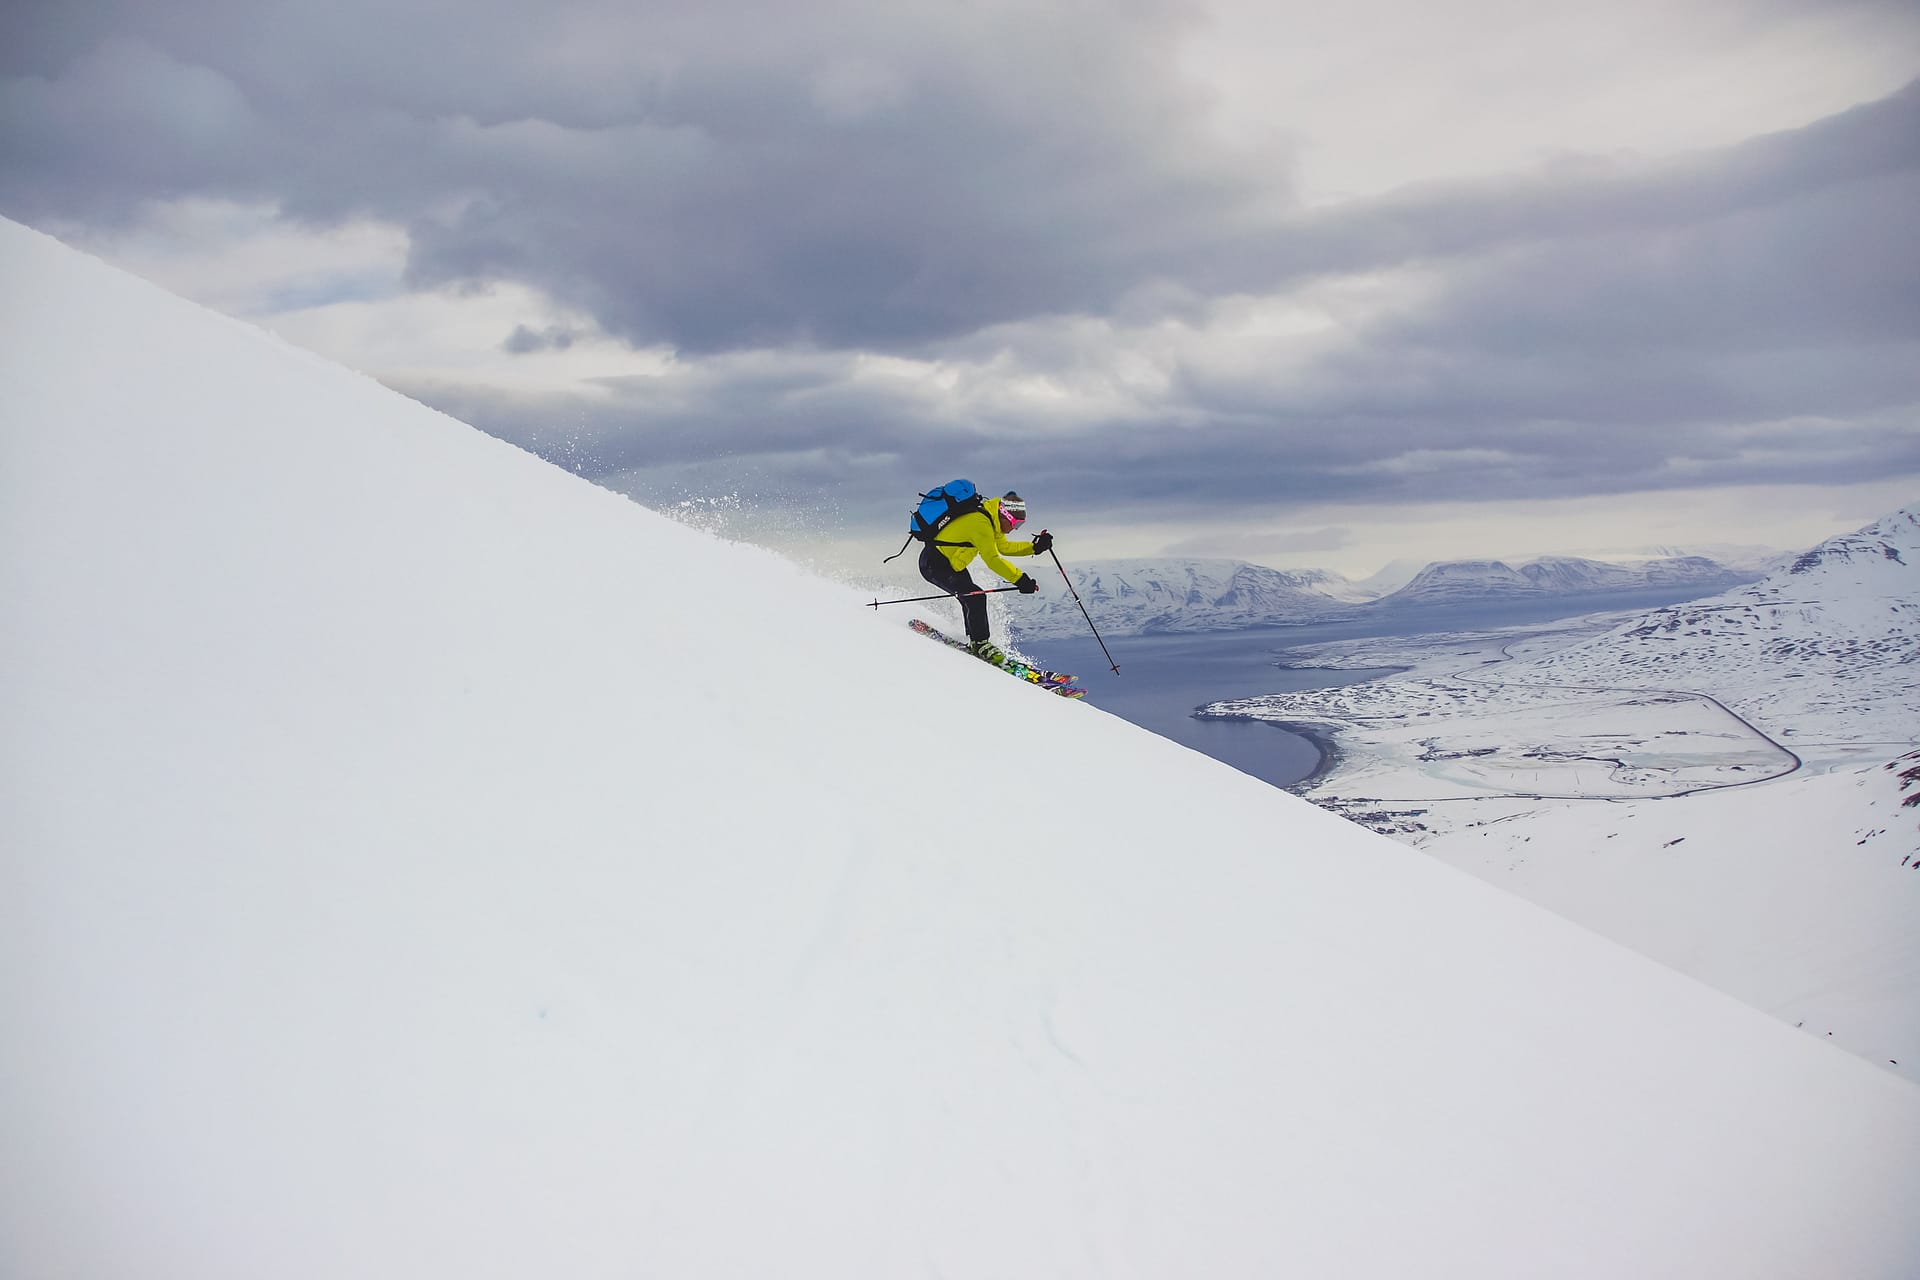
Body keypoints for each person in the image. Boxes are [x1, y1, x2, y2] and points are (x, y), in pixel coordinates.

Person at [918, 490, 1055, 663]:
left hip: (951, 564)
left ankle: (974, 640)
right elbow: (992, 560)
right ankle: (980, 644)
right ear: (1005, 516)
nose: (1014, 529)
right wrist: (1021, 580)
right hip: (934, 564)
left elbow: (1003, 548)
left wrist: (1034, 548)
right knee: (976, 596)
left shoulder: (991, 520)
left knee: (970, 597)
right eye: (1015, 524)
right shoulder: (981, 523)